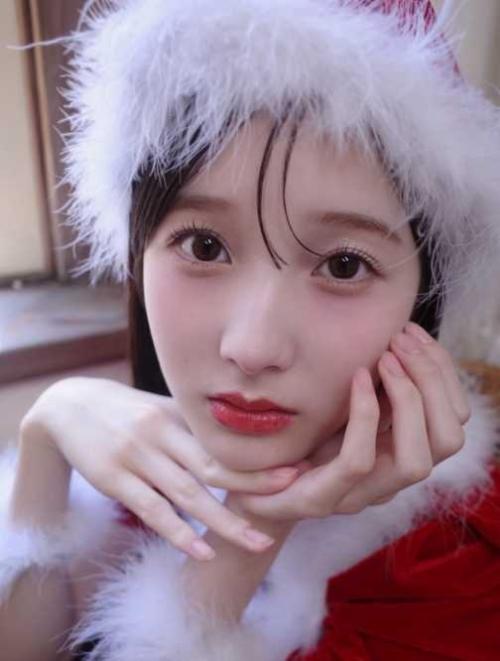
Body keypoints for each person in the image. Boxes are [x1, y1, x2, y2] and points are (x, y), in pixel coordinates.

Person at [1, 0, 500, 659]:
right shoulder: (141, 454)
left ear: (423, 300)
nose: (251, 347)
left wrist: (256, 521)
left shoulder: (454, 566)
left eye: (343, 265)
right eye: (204, 246)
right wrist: (46, 435)